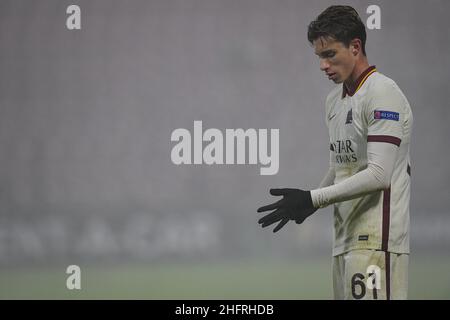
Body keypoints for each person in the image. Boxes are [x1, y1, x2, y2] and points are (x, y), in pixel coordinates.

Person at [257, 5, 413, 300]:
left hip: (377, 241)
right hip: (344, 240)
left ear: (355, 47)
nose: (323, 65)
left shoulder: (383, 92)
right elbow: (340, 166)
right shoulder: (333, 102)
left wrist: (314, 198)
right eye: (319, 57)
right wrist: (310, 202)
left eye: (329, 54)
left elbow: (380, 174)